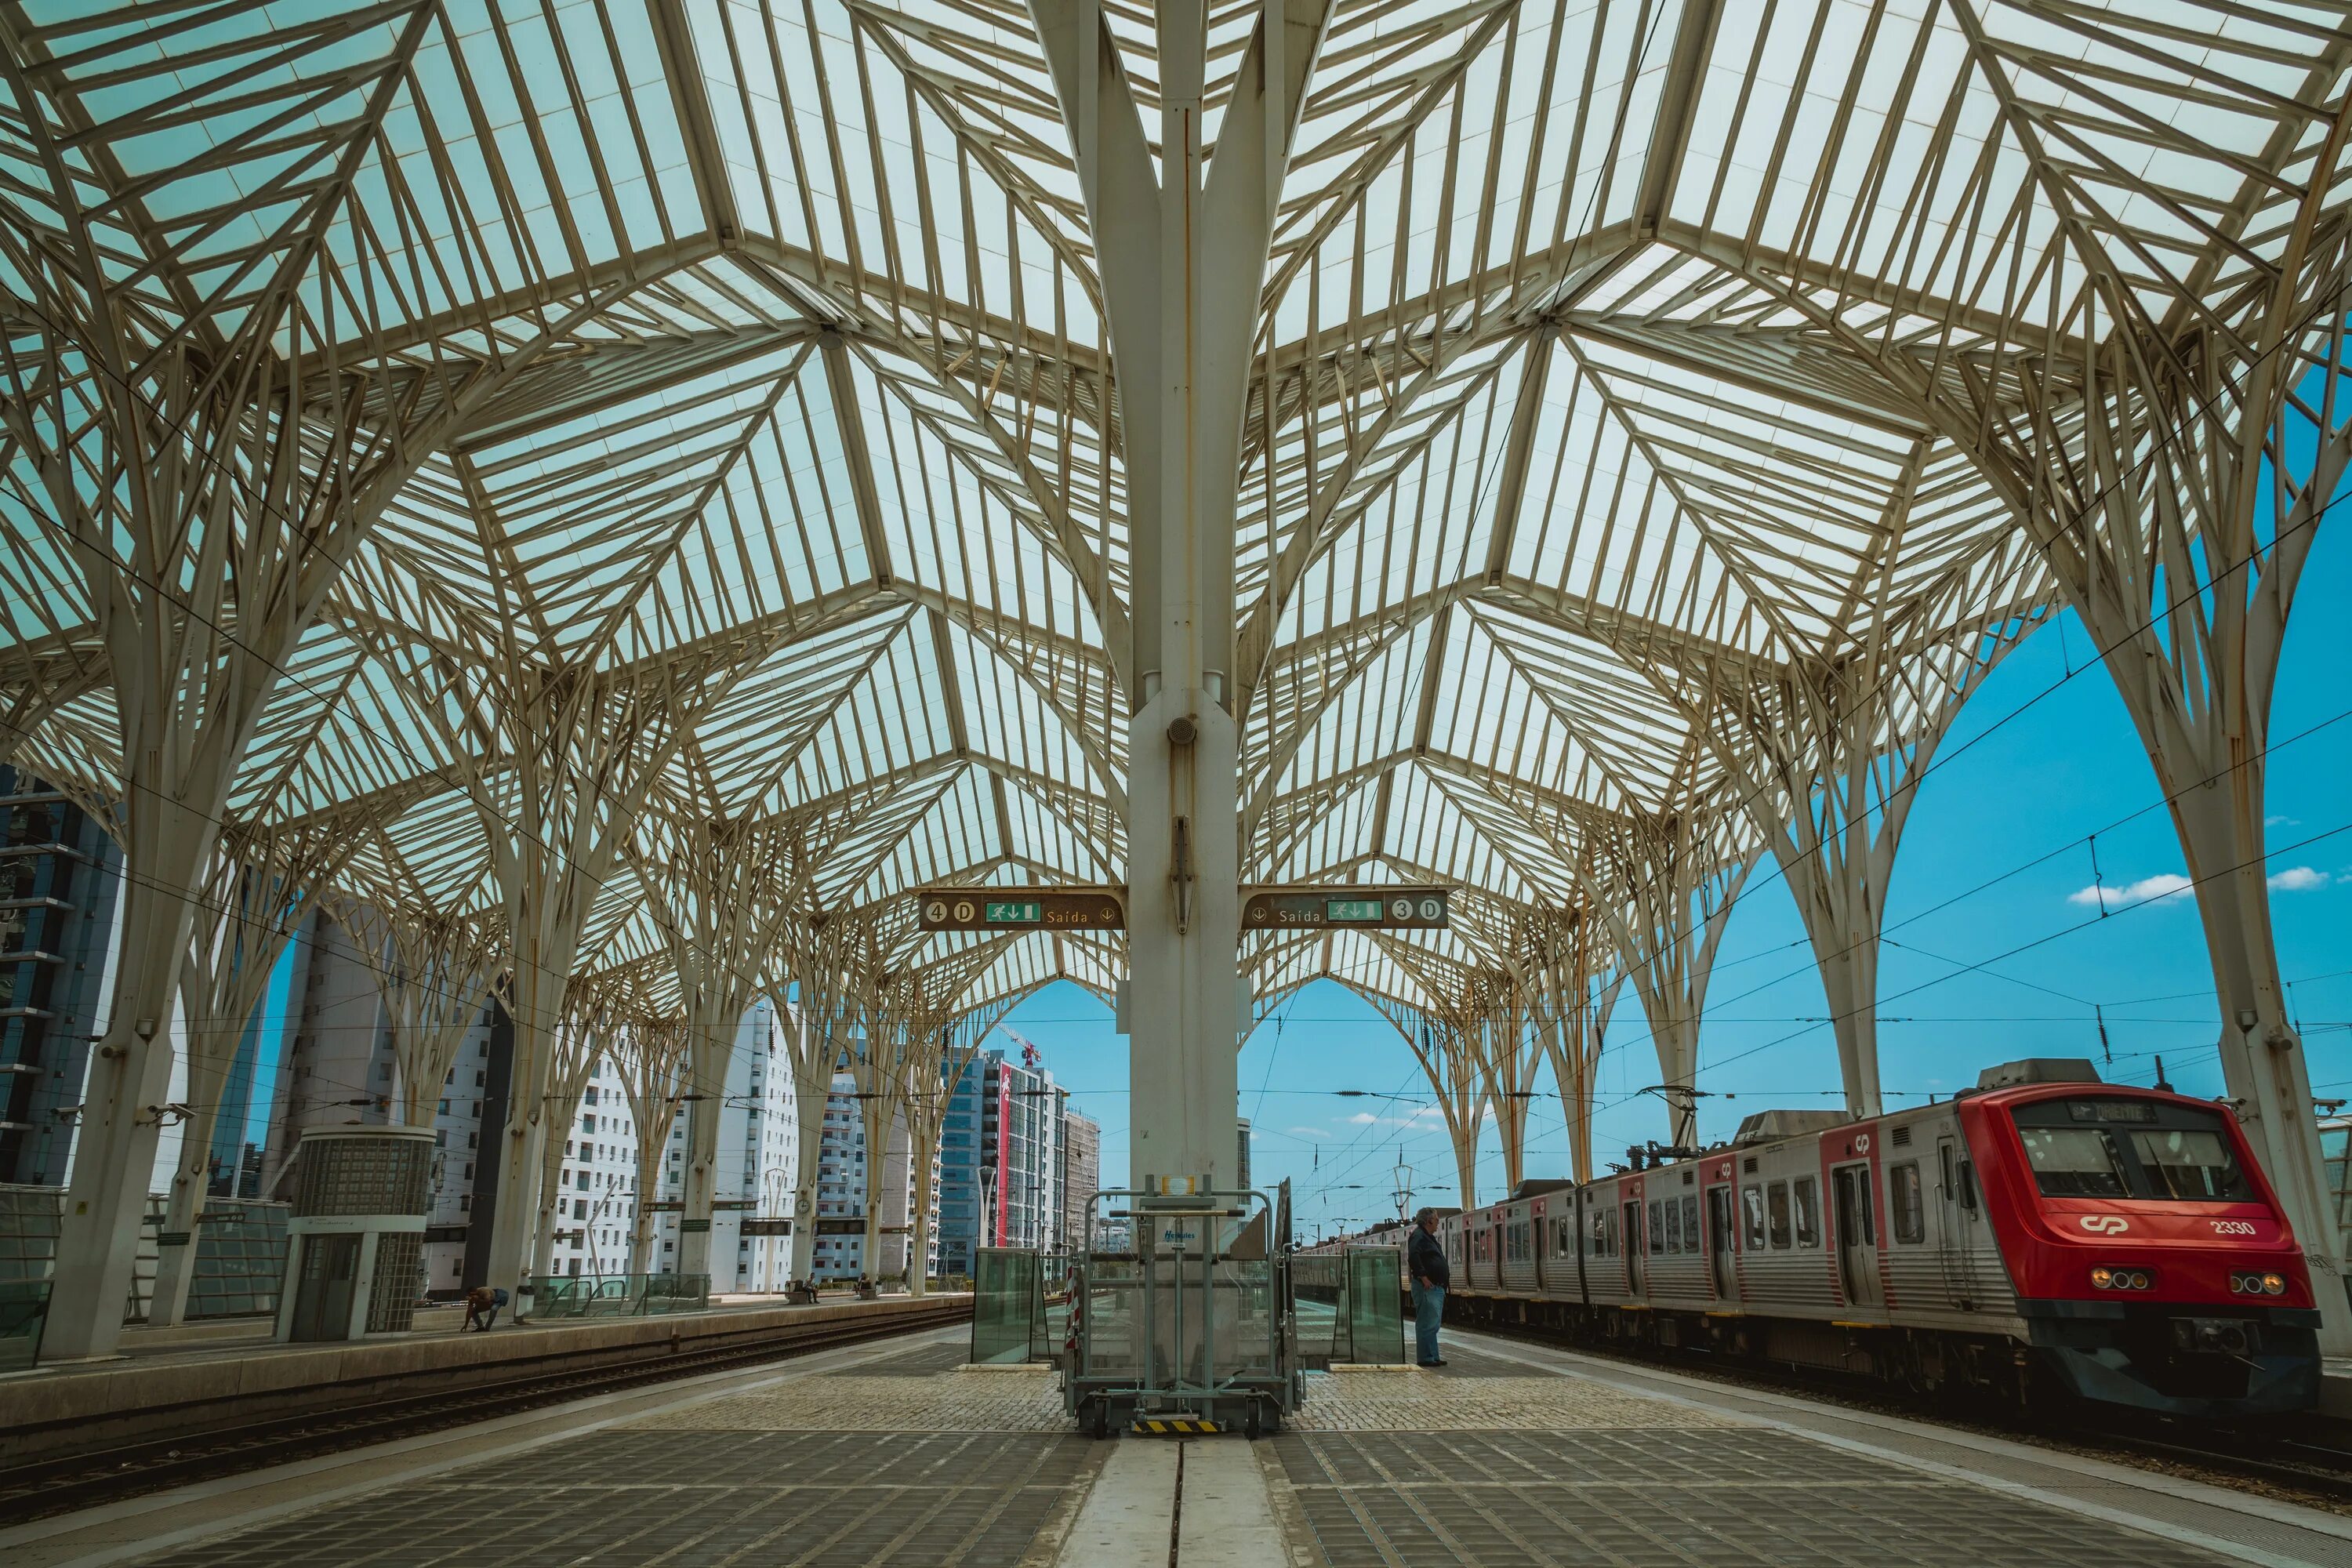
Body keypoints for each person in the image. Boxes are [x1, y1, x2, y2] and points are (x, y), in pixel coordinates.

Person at [1406, 1207, 1449, 1367]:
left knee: (1433, 1324)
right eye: (1437, 1219)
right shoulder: (1419, 1236)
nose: (1438, 1223)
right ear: (1428, 1220)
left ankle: (1433, 1356)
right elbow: (1413, 1256)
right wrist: (1424, 1277)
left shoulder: (1427, 1237)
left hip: (1434, 1288)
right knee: (1427, 1324)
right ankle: (1426, 1358)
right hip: (1427, 1288)